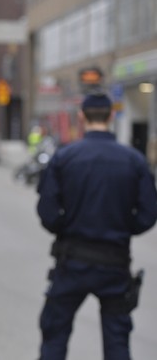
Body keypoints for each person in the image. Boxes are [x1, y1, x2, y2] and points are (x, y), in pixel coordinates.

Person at [36, 92, 157, 360]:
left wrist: (66, 226)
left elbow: (47, 212)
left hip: (71, 263)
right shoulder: (134, 161)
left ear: (81, 116)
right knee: (117, 343)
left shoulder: (64, 157)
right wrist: (124, 227)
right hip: (115, 263)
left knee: (54, 338)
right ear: (111, 116)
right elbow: (149, 214)